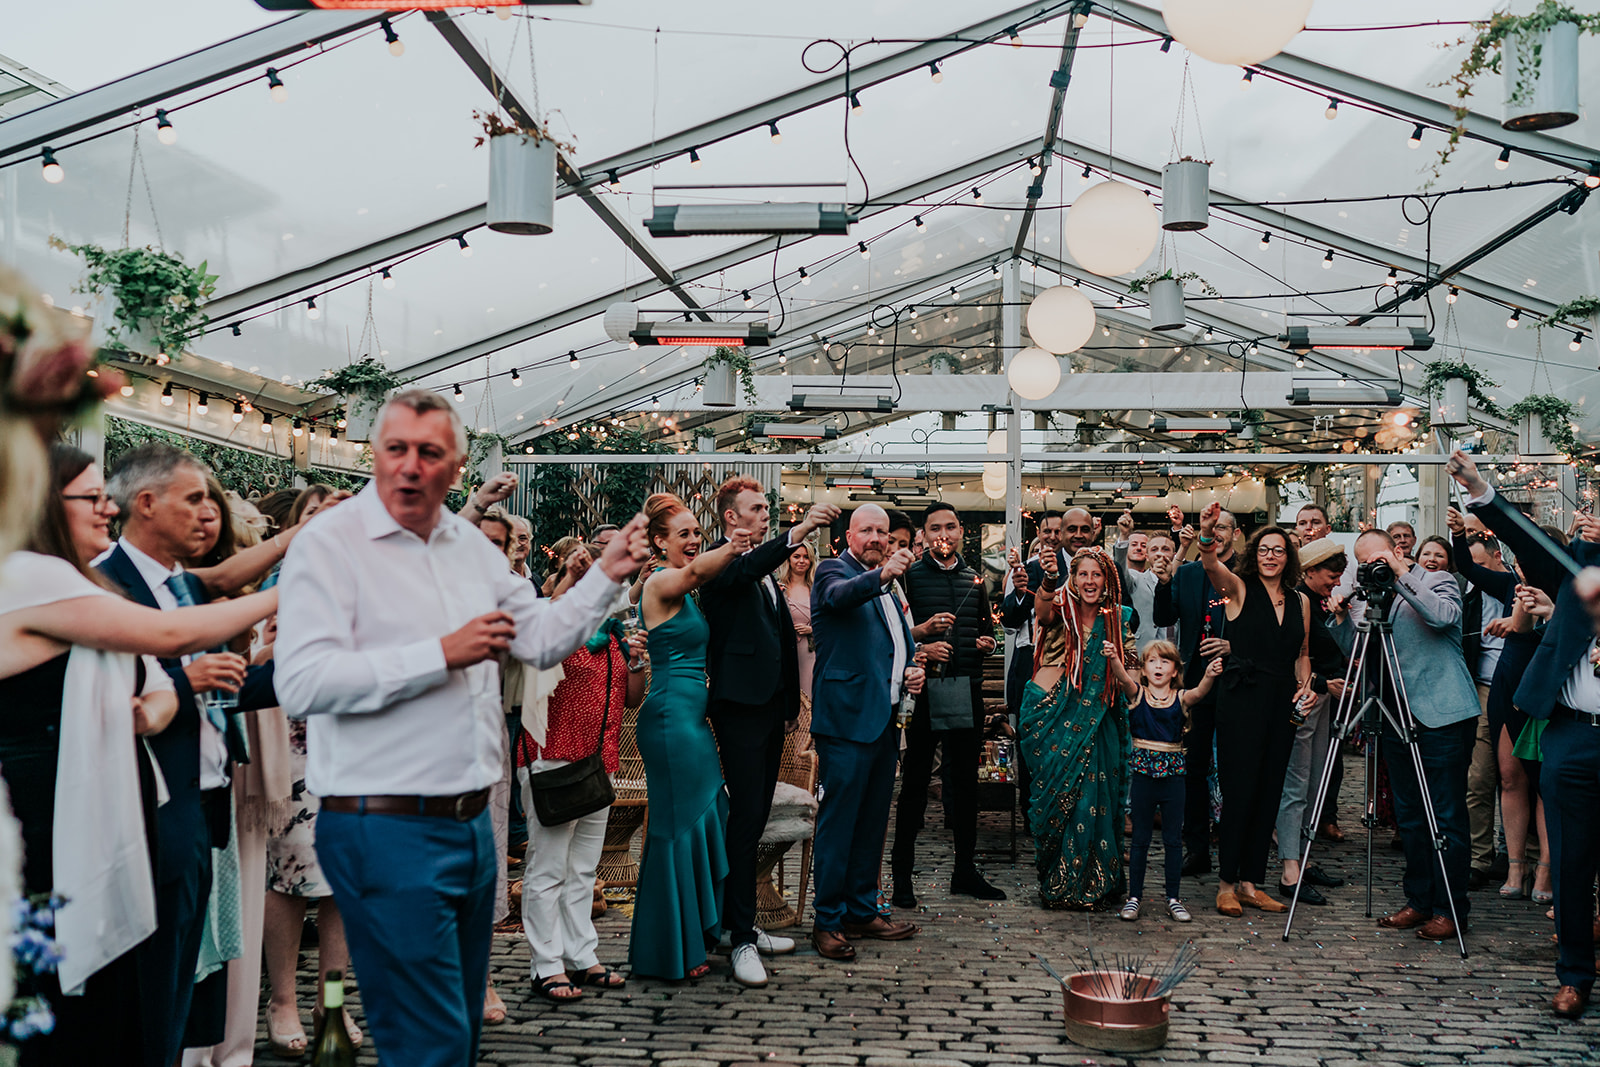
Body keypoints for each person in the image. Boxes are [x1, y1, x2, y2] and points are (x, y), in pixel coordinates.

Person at [274, 389, 651, 1067]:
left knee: (458, 1033)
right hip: (381, 822)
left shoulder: (469, 549)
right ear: (375, 454)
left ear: (456, 468)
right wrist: (439, 654)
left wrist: (604, 577)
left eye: (429, 452)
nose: (410, 465)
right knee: (428, 1040)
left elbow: (540, 640)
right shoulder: (330, 545)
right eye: (396, 449)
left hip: (473, 824)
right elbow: (302, 682)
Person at [1, 444, 277, 1067]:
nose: (109, 507)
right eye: (92, 497)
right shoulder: (28, 573)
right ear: (42, 505)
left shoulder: (78, 582)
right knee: (70, 1014)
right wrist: (288, 590)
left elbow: (153, 678)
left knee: (119, 1012)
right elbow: (171, 636)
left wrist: (148, 710)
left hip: (101, 814)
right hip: (45, 825)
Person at [98, 443, 281, 1067]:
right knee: (144, 994)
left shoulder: (183, 588)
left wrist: (297, 667)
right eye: (196, 498)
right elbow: (110, 703)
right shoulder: (107, 584)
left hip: (203, 805)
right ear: (146, 503)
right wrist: (186, 680)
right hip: (146, 810)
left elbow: (225, 688)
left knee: (180, 986)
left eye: (212, 500)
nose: (210, 512)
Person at [1448, 448, 1600, 1017]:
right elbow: (1529, 542)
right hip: (1572, 734)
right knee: (1571, 860)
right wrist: (1479, 489)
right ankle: (1575, 975)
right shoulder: (1580, 568)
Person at [697, 477, 839, 987]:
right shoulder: (719, 562)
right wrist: (799, 531)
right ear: (730, 516)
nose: (765, 513)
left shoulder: (763, 571)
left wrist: (788, 706)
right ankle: (739, 938)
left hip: (769, 710)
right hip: (739, 709)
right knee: (745, 819)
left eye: (765, 508)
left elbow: (777, 638)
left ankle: (737, 923)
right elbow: (745, 569)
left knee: (753, 819)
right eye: (756, 508)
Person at [626, 493, 755, 980]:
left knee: (708, 813)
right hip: (670, 722)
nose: (695, 540)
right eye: (684, 534)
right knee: (679, 826)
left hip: (690, 720)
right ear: (660, 542)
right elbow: (700, 572)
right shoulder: (662, 581)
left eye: (698, 533)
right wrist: (734, 545)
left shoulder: (679, 588)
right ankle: (671, 949)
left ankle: (698, 930)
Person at [515, 584, 649, 1002]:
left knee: (584, 869)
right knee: (547, 867)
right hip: (553, 758)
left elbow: (631, 699)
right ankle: (546, 965)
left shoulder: (613, 635)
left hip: (598, 764)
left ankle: (581, 954)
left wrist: (636, 660)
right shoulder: (554, 630)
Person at [1348, 529, 1478, 943]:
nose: (1374, 567)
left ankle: (1450, 909)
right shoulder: (1372, 592)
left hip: (1440, 714)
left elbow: (1443, 617)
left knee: (1446, 816)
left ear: (1397, 551)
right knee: (1410, 815)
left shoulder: (1436, 579)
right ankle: (1419, 899)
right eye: (1364, 563)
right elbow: (1357, 645)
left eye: (1378, 559)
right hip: (1393, 715)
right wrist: (1350, 603)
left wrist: (1402, 574)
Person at [809, 505, 925, 960]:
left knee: (872, 822)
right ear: (848, 536)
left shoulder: (890, 586)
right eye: (868, 531)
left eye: (883, 532)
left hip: (885, 717)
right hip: (846, 720)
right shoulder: (832, 571)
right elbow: (839, 598)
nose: (877, 538)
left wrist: (911, 669)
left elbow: (895, 644)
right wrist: (882, 576)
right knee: (839, 823)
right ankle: (827, 920)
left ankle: (861, 909)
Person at [1194, 504, 1312, 918]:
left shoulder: (1300, 600)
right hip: (1242, 698)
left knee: (1269, 791)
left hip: (1282, 702)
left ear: (1288, 557)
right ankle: (1226, 884)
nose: (1270, 556)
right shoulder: (1239, 589)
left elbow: (1302, 653)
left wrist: (1305, 686)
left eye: (1278, 550)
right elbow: (1211, 565)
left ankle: (1250, 883)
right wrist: (1206, 533)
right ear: (1253, 554)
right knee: (1240, 791)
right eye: (1264, 549)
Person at [893, 503, 1003, 908]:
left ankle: (965, 871)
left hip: (966, 689)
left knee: (965, 786)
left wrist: (985, 644)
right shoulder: (908, 576)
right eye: (935, 528)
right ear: (923, 535)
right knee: (915, 785)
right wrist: (922, 646)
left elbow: (985, 630)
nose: (944, 534)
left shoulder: (974, 578)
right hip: (922, 692)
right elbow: (894, 633)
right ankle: (901, 877)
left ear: (960, 532)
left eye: (951, 527)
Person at [1447, 511, 1554, 903]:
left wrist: (1518, 621)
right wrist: (1457, 534)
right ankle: (1515, 867)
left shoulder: (1563, 591)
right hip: (1506, 687)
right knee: (1509, 778)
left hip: (1542, 691)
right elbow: (1469, 570)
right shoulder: (1511, 584)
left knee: (1544, 784)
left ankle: (1545, 870)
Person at [1022, 545, 1132, 910]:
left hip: (1098, 722)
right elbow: (1041, 613)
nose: (1089, 581)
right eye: (1083, 574)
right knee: (1056, 797)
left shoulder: (1119, 619)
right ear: (1073, 578)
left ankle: (1094, 880)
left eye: (1096, 574)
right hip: (1053, 718)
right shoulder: (1060, 609)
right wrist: (1048, 579)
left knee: (1094, 798)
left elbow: (1131, 677)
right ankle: (1058, 878)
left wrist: (1117, 667)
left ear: (1107, 580)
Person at [1107, 640, 1222, 923]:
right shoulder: (1137, 695)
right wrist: (1113, 658)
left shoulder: (1180, 698)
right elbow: (1123, 678)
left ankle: (1173, 898)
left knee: (1172, 840)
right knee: (1140, 840)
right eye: (1152, 661)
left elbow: (1199, 692)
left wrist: (1209, 675)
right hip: (1144, 779)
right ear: (1144, 670)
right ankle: (1134, 897)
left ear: (1175, 671)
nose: (1158, 666)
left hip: (1173, 781)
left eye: (1165, 661)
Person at [1152, 507, 1240, 876]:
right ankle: (1197, 849)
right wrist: (1163, 585)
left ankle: (1235, 850)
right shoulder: (1187, 573)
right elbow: (1163, 618)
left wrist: (1233, 646)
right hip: (1195, 684)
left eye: (1222, 527)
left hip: (1238, 682)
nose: (1215, 532)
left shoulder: (1246, 573)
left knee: (1236, 770)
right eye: (1210, 527)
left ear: (1235, 534)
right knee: (1193, 768)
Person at [1274, 538, 1350, 907]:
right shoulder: (1296, 602)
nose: (1336, 582)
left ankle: (1303, 857)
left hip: (1324, 698)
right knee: (1297, 782)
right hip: (1306, 697)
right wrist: (1320, 682)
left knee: (1316, 781)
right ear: (1310, 571)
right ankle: (1290, 867)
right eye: (1331, 576)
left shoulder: (1321, 602)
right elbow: (1292, 655)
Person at [781, 540, 816, 699]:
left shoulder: (816, 589)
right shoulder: (780, 588)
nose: (801, 561)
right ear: (789, 559)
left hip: (810, 652)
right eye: (797, 556)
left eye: (806, 557)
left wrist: (812, 629)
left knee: (810, 694)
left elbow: (829, 621)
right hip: (786, 652)